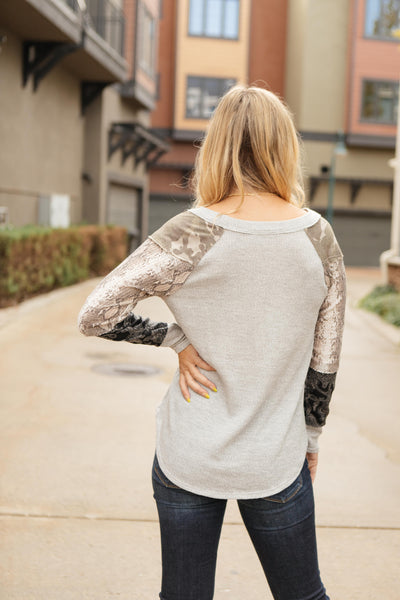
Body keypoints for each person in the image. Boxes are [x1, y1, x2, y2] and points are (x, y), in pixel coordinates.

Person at [78, 85, 346, 600]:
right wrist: (310, 437)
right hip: (276, 456)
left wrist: (173, 338)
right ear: (285, 146)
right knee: (304, 595)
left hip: (189, 453)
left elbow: (95, 314)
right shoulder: (319, 238)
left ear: (216, 145)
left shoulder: (190, 234)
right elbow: (325, 359)